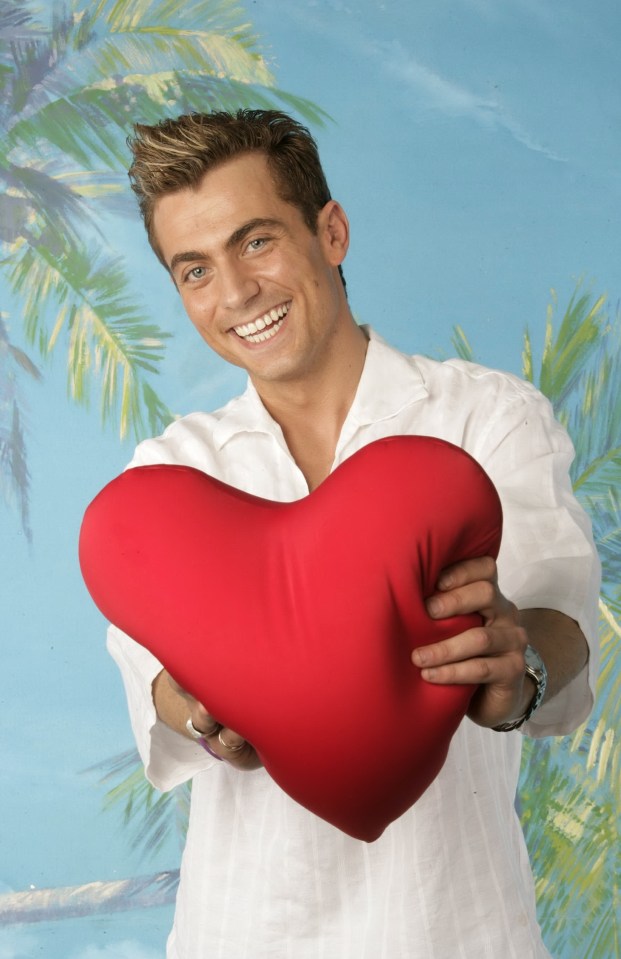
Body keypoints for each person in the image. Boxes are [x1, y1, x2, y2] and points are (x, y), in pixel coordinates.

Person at [107, 109, 600, 958]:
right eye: (195, 269)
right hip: (242, 933)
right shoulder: (167, 476)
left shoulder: (486, 416)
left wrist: (512, 666)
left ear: (329, 231)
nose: (234, 294)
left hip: (457, 931)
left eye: (255, 242)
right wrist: (203, 709)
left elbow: (560, 615)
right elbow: (154, 680)